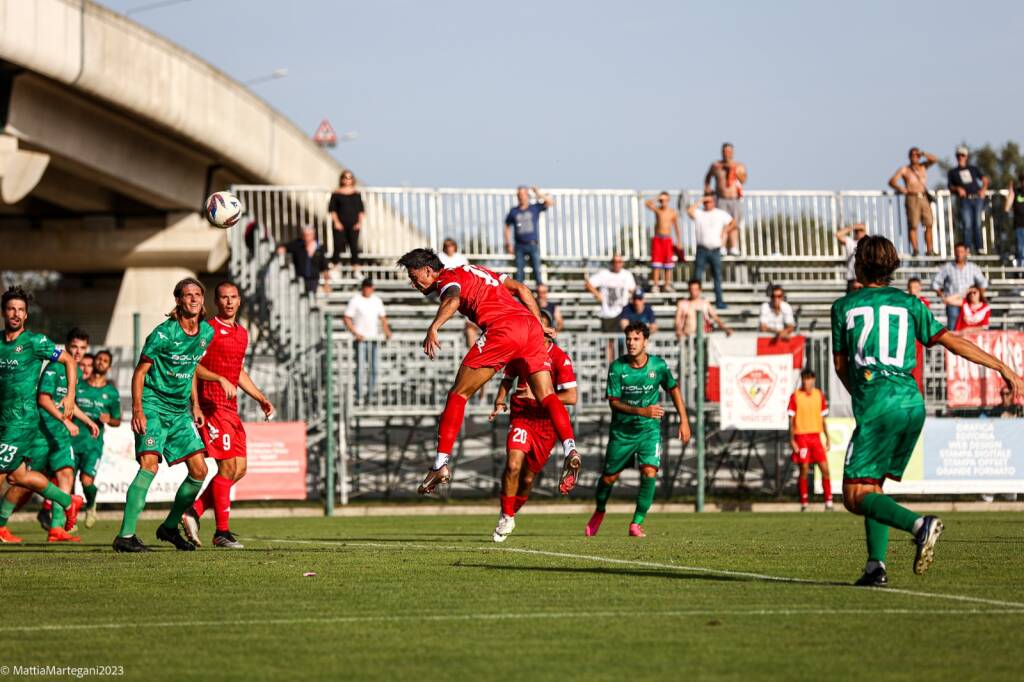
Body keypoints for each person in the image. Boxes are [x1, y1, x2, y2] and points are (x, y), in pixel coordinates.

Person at [830, 235, 1024, 587]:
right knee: (872, 486)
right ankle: (875, 567)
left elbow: (842, 365)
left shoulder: (844, 306)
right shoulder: (911, 303)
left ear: (861, 264)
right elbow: (953, 340)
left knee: (854, 496)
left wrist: (865, 398)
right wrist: (1003, 368)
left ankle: (920, 526)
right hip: (912, 402)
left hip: (878, 402)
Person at [396, 249, 581, 497]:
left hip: (503, 329)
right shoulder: (479, 270)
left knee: (458, 394)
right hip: (529, 327)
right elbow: (523, 290)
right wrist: (538, 323)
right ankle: (570, 448)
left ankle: (440, 464)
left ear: (428, 270)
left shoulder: (446, 279)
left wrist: (434, 327)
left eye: (413, 274)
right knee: (547, 395)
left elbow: (452, 299)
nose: (413, 282)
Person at [113, 278, 220, 553]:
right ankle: (125, 536)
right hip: (152, 404)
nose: (194, 299)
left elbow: (192, 368)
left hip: (179, 410)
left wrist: (195, 405)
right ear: (178, 301)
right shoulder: (162, 334)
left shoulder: (206, 333)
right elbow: (139, 373)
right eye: (188, 295)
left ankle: (169, 527)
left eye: (198, 294)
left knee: (200, 470)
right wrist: (137, 409)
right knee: (149, 465)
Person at [180, 282, 275, 550]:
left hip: (230, 409)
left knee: (240, 469)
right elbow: (192, 367)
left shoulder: (242, 334)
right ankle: (222, 532)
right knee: (227, 468)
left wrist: (260, 397)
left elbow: (238, 371)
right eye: (224, 298)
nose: (229, 302)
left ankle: (194, 511)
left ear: (239, 300)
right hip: (211, 406)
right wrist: (196, 404)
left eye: (233, 297)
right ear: (217, 301)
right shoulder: (207, 330)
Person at [585, 322, 690, 538]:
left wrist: (684, 420)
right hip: (621, 433)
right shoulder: (617, 367)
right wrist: (641, 410)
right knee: (608, 479)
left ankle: (637, 522)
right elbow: (613, 402)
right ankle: (599, 511)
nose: (631, 343)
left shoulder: (658, 366)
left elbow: (674, 389)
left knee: (649, 471)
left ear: (645, 341)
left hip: (649, 431)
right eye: (629, 339)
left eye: (636, 339)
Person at [0, 287, 81, 544]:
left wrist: (69, 396)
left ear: (26, 315)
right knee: (18, 476)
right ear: (4, 311)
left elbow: (69, 360)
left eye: (21, 310)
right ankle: (68, 501)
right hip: (3, 419)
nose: (16, 314)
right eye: (12, 309)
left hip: (22, 421)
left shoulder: (36, 342)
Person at [488, 311, 577, 542]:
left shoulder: (559, 358)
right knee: (513, 466)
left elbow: (572, 396)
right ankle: (506, 515)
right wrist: (500, 400)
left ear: (546, 332)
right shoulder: (520, 352)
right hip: (522, 416)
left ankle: (511, 510)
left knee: (527, 479)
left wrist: (542, 395)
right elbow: (507, 378)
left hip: (545, 423)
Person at [6, 327, 97, 541]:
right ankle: (1, 523)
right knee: (20, 482)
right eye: (74, 346)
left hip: (60, 434)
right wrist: (65, 421)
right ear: (66, 346)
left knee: (66, 474)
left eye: (82, 348)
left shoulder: (75, 372)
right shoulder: (55, 368)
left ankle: (56, 528)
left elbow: (68, 403)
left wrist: (87, 421)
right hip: (40, 433)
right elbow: (44, 399)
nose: (77, 352)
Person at [73, 349, 121, 529]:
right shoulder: (79, 386)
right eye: (99, 359)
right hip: (73, 439)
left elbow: (117, 420)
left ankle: (91, 504)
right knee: (67, 481)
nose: (101, 362)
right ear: (93, 363)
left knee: (86, 481)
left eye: (105, 360)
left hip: (93, 444)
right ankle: (70, 518)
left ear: (108, 367)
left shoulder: (112, 392)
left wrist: (110, 420)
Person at [788, 369, 832, 512]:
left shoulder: (819, 395)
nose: (807, 382)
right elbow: (791, 420)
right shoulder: (795, 396)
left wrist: (827, 437)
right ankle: (804, 502)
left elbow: (823, 419)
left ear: (813, 380)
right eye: (805, 379)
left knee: (825, 469)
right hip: (801, 437)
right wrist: (792, 440)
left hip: (815, 437)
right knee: (805, 468)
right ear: (802, 380)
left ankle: (828, 502)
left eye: (810, 379)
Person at [342, 279, 393, 403]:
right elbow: (346, 318)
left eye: (370, 287)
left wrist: (386, 331)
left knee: (373, 368)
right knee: (361, 368)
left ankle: (370, 395)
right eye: (366, 287)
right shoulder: (355, 300)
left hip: (373, 339)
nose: (368, 289)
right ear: (363, 288)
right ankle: (359, 395)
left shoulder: (377, 300)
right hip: (361, 340)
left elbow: (383, 317)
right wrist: (355, 333)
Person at [687, 194, 735, 310]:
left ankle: (719, 302)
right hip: (701, 249)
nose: (707, 204)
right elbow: (689, 211)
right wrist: (700, 200)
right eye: (706, 202)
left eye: (709, 201)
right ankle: (694, 300)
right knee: (697, 277)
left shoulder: (720, 213)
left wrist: (725, 230)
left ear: (714, 202)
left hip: (715, 250)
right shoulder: (699, 213)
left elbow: (733, 222)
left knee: (717, 277)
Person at [888, 147, 938, 256]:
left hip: (924, 197)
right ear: (909, 156)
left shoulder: (923, 166)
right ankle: (915, 249)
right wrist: (901, 188)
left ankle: (929, 249)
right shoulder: (905, 169)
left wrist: (923, 153)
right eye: (913, 155)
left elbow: (935, 160)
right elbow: (892, 181)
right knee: (913, 225)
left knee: (929, 223)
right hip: (912, 197)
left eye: (917, 155)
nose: (916, 157)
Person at [931, 243, 988, 330]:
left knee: (969, 326)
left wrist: (978, 296)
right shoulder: (948, 267)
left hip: (968, 302)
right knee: (953, 323)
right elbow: (935, 283)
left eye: (961, 251)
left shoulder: (972, 267)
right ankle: (952, 342)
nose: (959, 254)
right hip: (953, 301)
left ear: (966, 253)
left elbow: (983, 283)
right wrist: (942, 295)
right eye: (957, 251)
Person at [703, 142, 746, 255]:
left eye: (729, 152)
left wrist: (733, 170)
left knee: (734, 223)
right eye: (725, 151)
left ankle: (734, 247)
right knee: (721, 223)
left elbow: (743, 179)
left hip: (735, 199)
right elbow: (707, 178)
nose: (727, 154)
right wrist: (707, 189)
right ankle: (722, 246)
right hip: (721, 198)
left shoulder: (739, 166)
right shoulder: (716, 166)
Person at [504, 186, 552, 285]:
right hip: (519, 246)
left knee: (537, 274)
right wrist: (508, 243)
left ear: (527, 195)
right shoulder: (514, 211)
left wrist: (538, 193)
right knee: (519, 275)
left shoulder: (534, 208)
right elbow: (507, 226)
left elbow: (550, 202)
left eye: (523, 194)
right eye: (519, 195)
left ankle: (540, 299)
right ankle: (519, 299)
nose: (521, 197)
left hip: (532, 244)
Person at [946, 146, 990, 254]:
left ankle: (979, 247)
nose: (960, 157)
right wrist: (957, 188)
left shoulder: (973, 169)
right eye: (958, 155)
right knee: (967, 225)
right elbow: (950, 186)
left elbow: (985, 179)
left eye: (963, 155)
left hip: (977, 198)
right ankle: (967, 248)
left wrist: (983, 189)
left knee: (978, 224)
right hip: (965, 200)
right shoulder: (953, 172)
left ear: (966, 157)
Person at [438, 240, 479, 347]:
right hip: (448, 290)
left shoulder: (461, 258)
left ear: (454, 247)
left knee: (471, 327)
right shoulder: (440, 257)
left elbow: (469, 271)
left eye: (451, 245)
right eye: (446, 246)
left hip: (462, 291)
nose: (449, 248)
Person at [644, 191, 682, 292]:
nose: (663, 202)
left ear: (668, 200)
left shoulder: (672, 212)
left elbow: (677, 227)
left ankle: (666, 284)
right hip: (658, 239)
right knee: (656, 263)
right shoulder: (657, 210)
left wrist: (679, 241)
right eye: (661, 200)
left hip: (667, 239)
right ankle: (655, 284)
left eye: (665, 200)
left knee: (667, 263)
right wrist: (657, 198)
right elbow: (646, 203)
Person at [327, 170, 365, 266]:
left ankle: (355, 267)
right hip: (340, 224)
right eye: (345, 177)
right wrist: (336, 222)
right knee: (338, 245)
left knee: (354, 246)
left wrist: (359, 223)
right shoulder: (336, 193)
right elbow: (332, 209)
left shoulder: (357, 194)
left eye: (350, 177)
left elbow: (361, 210)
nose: (347, 180)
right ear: (341, 179)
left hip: (353, 224)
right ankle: (335, 266)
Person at [278, 226, 329, 294]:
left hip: (313, 279)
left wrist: (326, 283)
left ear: (313, 235)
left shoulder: (319, 247)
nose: (307, 237)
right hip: (299, 279)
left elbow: (324, 266)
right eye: (305, 235)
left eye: (309, 235)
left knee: (311, 297)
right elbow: (284, 248)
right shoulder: (297, 245)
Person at [907, 278, 930, 395]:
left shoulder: (924, 303)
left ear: (920, 288)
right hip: (906, 339)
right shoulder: (904, 302)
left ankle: (917, 396)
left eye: (916, 287)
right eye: (911, 287)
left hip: (916, 339)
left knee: (917, 369)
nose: (913, 290)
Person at [835, 223, 867, 292]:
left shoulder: (869, 243)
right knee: (850, 302)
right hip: (852, 279)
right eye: (857, 231)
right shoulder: (851, 242)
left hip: (865, 280)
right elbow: (838, 234)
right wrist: (853, 227)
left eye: (861, 230)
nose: (859, 233)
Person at [1003, 171, 1024, 267]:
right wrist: (1010, 193)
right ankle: (1021, 270)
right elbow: (1006, 208)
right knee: (1020, 249)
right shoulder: (1016, 192)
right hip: (1019, 226)